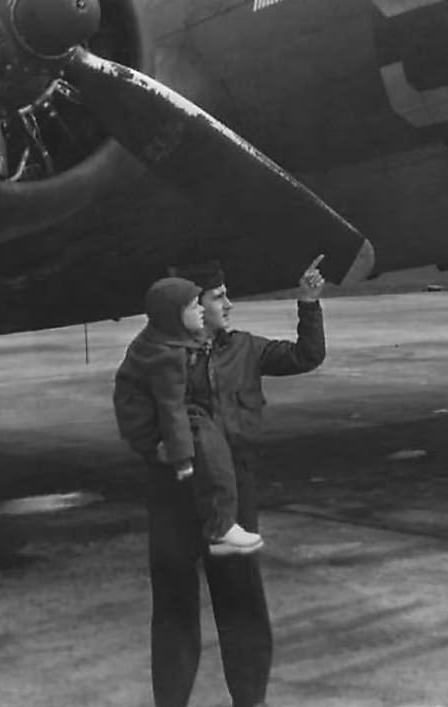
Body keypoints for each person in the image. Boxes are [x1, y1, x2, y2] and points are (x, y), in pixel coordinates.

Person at [126, 255, 327, 707]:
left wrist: (308, 304)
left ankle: (250, 700)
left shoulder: (246, 349)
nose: (229, 304)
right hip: (173, 491)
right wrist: (150, 447)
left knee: (242, 603)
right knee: (175, 605)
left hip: (233, 489)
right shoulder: (157, 351)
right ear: (193, 305)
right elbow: (131, 405)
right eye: (219, 298)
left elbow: (306, 355)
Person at [114, 277, 264, 557]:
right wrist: (181, 457)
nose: (201, 312)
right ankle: (221, 527)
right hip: (153, 430)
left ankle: (221, 528)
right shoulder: (166, 356)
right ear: (175, 316)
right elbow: (171, 407)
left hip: (149, 425)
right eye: (194, 306)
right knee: (209, 445)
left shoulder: (161, 340)